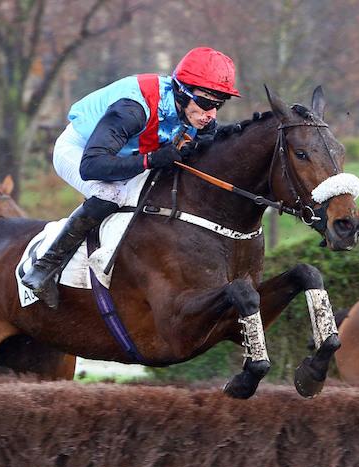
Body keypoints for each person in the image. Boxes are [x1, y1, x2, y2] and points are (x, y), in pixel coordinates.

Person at [21, 46, 240, 308]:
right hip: (81, 150)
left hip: (125, 152)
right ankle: (44, 268)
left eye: (218, 105)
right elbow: (93, 167)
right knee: (110, 193)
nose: (212, 114)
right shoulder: (132, 109)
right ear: (181, 92)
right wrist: (151, 160)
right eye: (206, 103)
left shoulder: (194, 112)